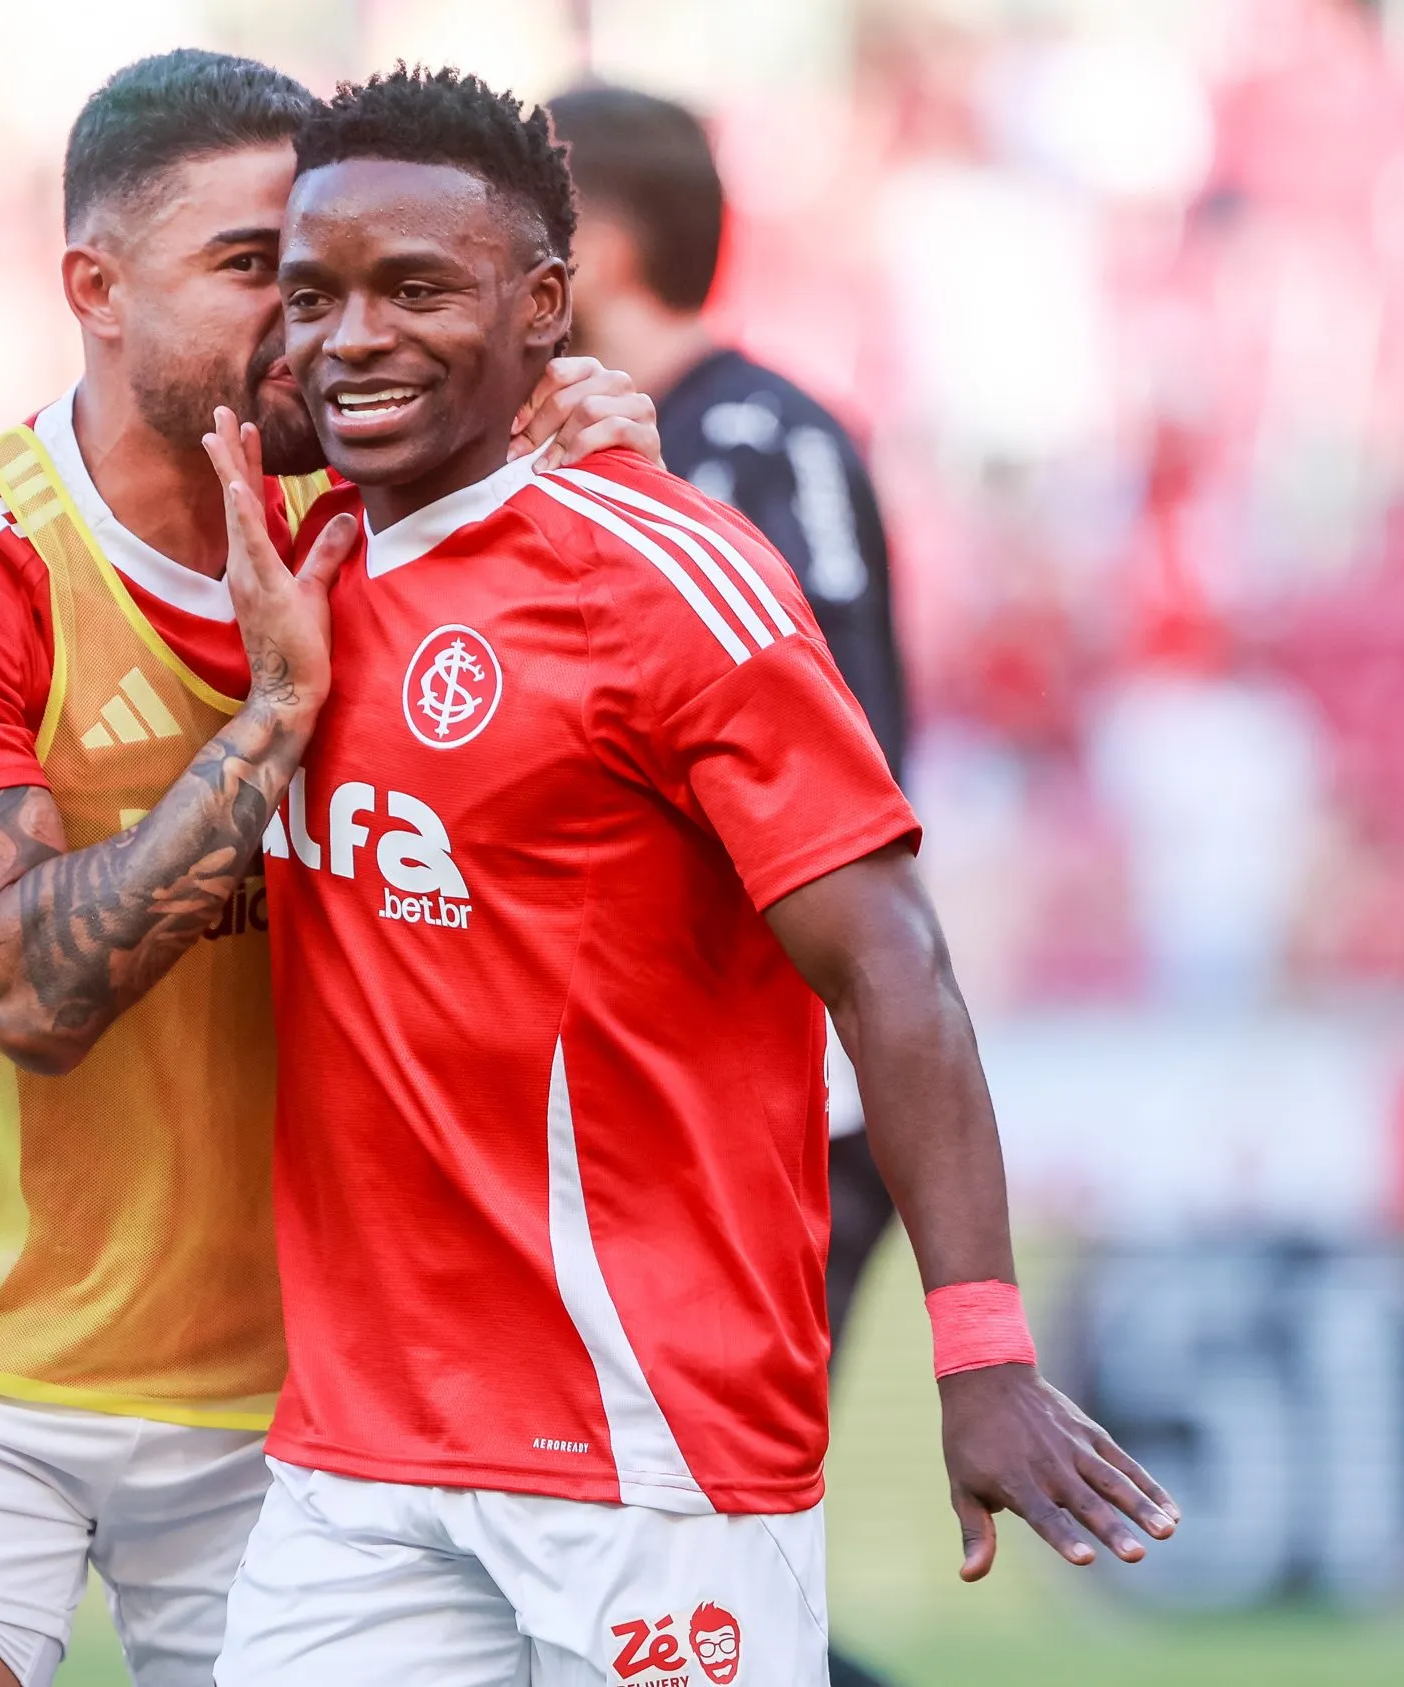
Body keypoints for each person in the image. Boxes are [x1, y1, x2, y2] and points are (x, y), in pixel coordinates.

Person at [209, 67, 1175, 1686]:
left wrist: (981, 1345)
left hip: (645, 1442)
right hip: (359, 1456)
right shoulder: (296, 568)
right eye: (315, 295)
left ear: (544, 308)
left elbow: (893, 966)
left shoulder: (665, 576)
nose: (352, 335)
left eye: (417, 288)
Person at [0, 50, 657, 1687]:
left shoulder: (419, 534)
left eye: (323, 273)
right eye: (256, 270)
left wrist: (617, 488)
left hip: (304, 1405)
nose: (308, 323)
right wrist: (274, 723)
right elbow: (29, 988)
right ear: (93, 288)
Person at [550, 81, 923, 1687]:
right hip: (648, 1088)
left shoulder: (759, 439)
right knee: (626, 1550)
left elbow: (841, 752)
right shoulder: (558, 457)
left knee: (679, 1540)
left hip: (787, 1093)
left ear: (603, 239)